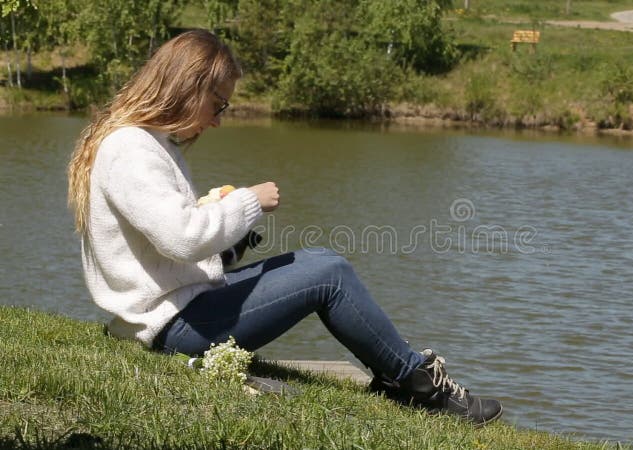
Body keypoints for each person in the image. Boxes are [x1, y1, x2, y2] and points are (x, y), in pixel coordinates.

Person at [66, 29, 502, 426]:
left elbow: (165, 245)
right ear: (188, 86)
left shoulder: (147, 142)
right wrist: (247, 202)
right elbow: (180, 237)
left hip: (180, 314)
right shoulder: (130, 148)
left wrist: (229, 236)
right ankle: (420, 387)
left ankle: (398, 374)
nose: (218, 119)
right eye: (219, 104)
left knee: (322, 260)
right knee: (328, 277)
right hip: (172, 331)